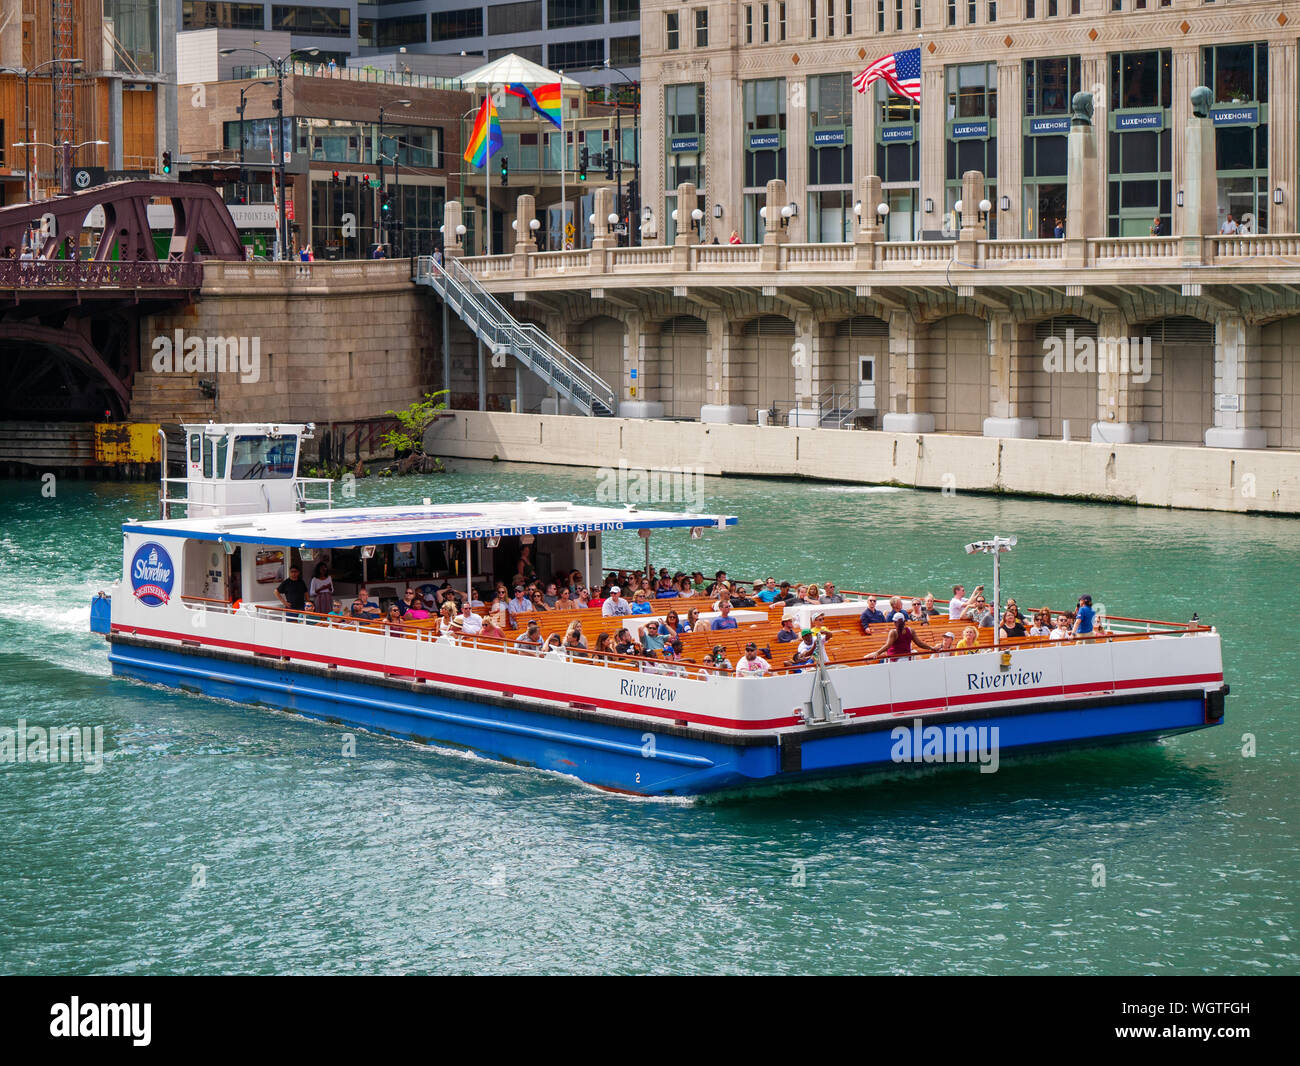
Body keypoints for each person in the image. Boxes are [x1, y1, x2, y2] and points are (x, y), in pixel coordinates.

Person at [867, 612, 936, 660]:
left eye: (895, 622)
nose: (894, 623)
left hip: (894, 659)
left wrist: (877, 653)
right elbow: (919, 643)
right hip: (906, 658)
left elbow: (887, 645)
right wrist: (930, 648)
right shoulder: (910, 630)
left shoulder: (893, 632)